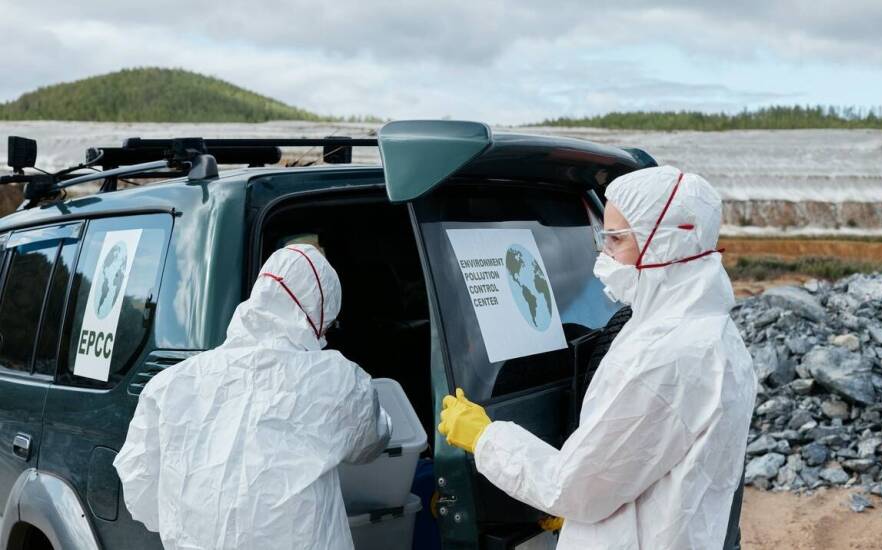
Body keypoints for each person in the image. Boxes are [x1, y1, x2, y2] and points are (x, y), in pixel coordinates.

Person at [439, 166, 757, 549]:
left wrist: (486, 437)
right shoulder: (711, 332)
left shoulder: (664, 356)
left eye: (617, 240)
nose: (604, 255)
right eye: (602, 238)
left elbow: (572, 487)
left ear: (667, 244)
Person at [114, 244, 391, 550]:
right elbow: (371, 442)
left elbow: (139, 484)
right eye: (328, 323)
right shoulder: (338, 379)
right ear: (316, 312)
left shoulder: (169, 386)